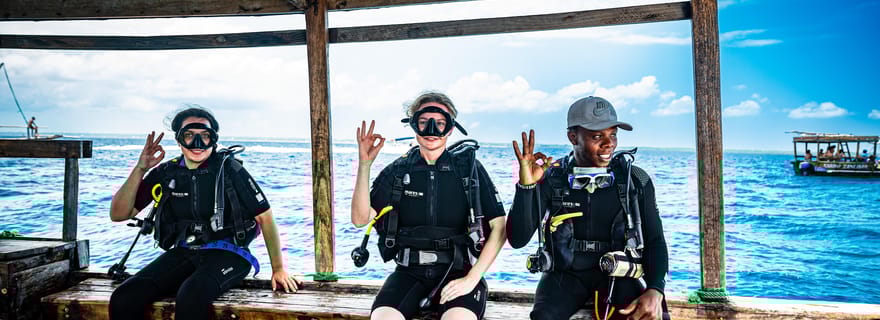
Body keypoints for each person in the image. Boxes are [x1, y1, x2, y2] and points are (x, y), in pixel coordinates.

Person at [108, 106, 300, 319]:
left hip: (231, 254)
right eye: (189, 136)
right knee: (124, 297)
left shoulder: (230, 171)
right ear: (179, 140)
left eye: (205, 136)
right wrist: (140, 168)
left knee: (191, 295)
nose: (197, 144)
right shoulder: (166, 173)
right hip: (184, 252)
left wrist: (278, 268)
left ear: (214, 140)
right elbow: (119, 214)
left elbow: (265, 217)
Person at [507, 96, 669, 320]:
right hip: (564, 277)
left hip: (619, 274)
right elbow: (517, 239)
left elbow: (655, 241)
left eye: (613, 134)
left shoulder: (635, 180)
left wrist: (656, 289)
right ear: (573, 137)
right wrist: (527, 186)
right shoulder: (552, 177)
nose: (609, 143)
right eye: (597, 136)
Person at [351, 92, 507, 320]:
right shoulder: (399, 170)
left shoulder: (468, 169)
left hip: (459, 272)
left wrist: (472, 278)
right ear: (414, 126)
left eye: (440, 123)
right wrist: (364, 165)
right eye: (424, 123)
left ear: (451, 128)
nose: (432, 130)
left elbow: (499, 227)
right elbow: (360, 219)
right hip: (408, 273)